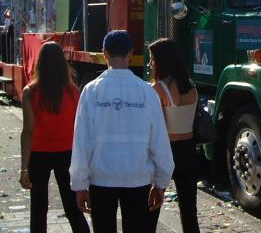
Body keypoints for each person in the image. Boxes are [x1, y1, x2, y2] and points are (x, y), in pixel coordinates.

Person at [70, 30, 174, 233]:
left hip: (101, 179)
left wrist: (79, 184)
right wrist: (161, 182)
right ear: (131, 53)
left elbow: (82, 141)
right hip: (138, 178)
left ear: (104, 53)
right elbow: (159, 140)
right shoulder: (147, 92)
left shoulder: (91, 91)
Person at [19, 42, 90, 233]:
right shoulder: (73, 92)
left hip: (38, 154)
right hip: (67, 153)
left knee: (38, 208)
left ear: (40, 63)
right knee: (72, 206)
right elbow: (79, 128)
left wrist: (24, 168)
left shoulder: (30, 92)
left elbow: (28, 131)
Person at [148, 38, 200, 233]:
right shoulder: (192, 87)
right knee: (189, 211)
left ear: (162, 61)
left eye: (152, 59)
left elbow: (156, 127)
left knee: (152, 206)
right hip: (189, 150)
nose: (150, 63)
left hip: (166, 150)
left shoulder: (157, 88)